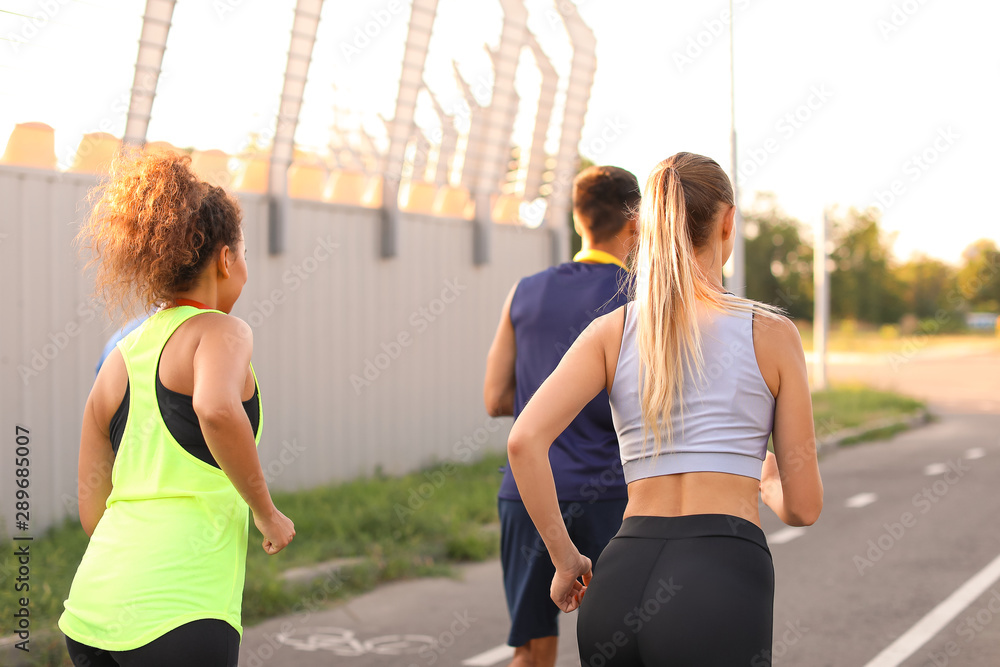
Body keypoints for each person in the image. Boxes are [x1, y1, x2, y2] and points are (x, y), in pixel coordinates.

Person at [507, 152, 824, 666]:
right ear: (727, 222)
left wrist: (566, 560)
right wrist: (767, 483)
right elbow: (804, 507)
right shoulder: (771, 333)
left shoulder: (611, 331)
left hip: (618, 579)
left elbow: (523, 441)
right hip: (720, 581)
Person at [59, 152, 295, 667]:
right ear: (225, 259)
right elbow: (214, 408)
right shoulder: (222, 331)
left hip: (92, 614)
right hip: (180, 617)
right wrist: (267, 513)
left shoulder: (120, 359)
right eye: (245, 253)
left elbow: (92, 512)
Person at [484, 165, 641, 667]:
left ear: (578, 219)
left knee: (531, 650)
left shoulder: (525, 290)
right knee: (621, 648)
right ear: (636, 224)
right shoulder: (640, 298)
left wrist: (550, 405)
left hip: (528, 494)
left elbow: (493, 398)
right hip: (610, 495)